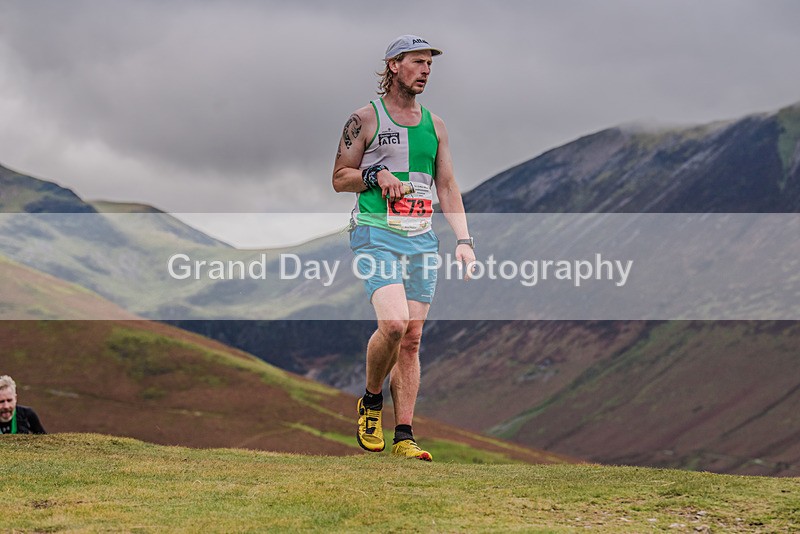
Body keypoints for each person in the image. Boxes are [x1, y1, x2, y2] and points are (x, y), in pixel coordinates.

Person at [332, 35, 475, 461]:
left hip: (420, 239)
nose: (427, 70)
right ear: (394, 65)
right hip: (375, 230)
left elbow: (447, 186)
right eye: (419, 62)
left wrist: (464, 240)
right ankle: (371, 401)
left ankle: (405, 437)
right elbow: (341, 177)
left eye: (431, 63)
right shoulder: (365, 118)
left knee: (412, 339)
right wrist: (376, 176)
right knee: (393, 324)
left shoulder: (436, 125)